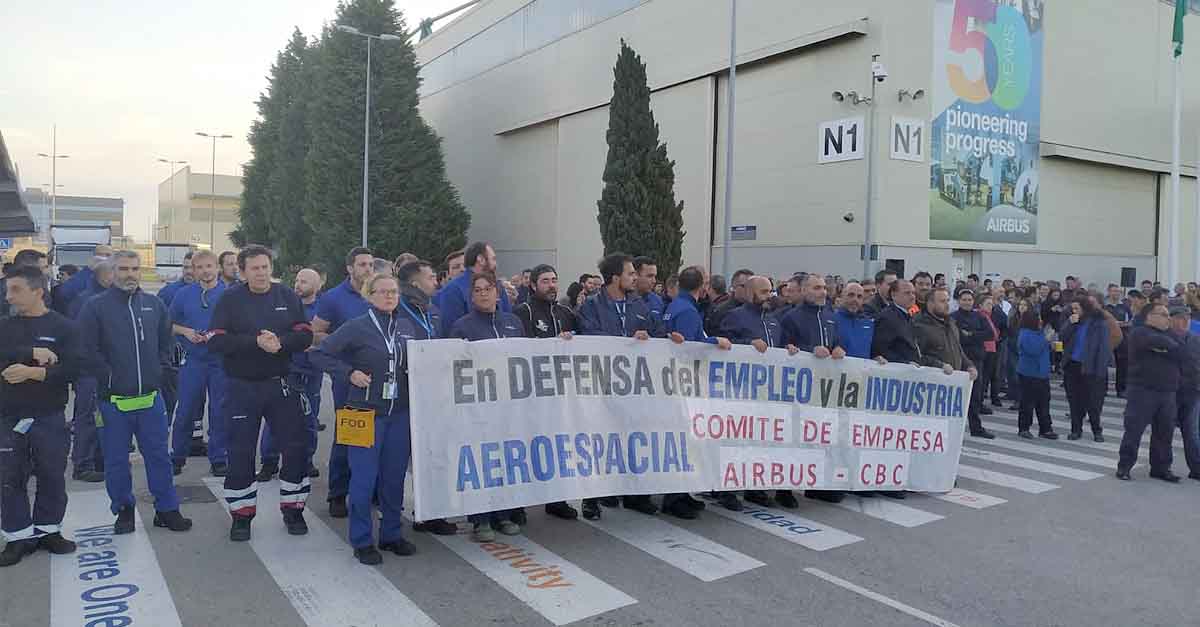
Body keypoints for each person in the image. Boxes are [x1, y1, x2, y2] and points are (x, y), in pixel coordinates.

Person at [77, 250, 192, 535]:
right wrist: (110, 377)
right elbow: (86, 350)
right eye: (124, 268)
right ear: (112, 272)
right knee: (116, 461)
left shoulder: (153, 304)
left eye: (135, 268)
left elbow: (166, 343)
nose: (130, 274)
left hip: (151, 399)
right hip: (113, 402)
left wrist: (160, 372)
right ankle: (124, 510)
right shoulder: (95, 307)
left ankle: (167, 509)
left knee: (159, 457)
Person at [208, 245, 314, 541]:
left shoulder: (287, 296)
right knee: (241, 451)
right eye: (254, 268)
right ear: (242, 271)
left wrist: (281, 342)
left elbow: (305, 333)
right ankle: (242, 516)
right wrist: (255, 342)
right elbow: (216, 340)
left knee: (294, 448)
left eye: (265, 266)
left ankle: (293, 510)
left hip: (281, 384)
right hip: (242, 386)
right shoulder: (229, 299)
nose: (262, 273)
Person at [311, 274, 419, 564]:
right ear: (369, 296)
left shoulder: (406, 327)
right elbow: (319, 354)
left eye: (393, 292)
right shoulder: (356, 327)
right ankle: (361, 540)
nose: (389, 296)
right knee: (363, 479)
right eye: (382, 292)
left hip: (398, 413)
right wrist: (348, 373)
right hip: (363, 413)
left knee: (394, 478)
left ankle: (391, 534)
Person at [0, 265, 81, 566]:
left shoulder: (63, 327)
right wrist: (29, 352)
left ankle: (49, 531)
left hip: (49, 415)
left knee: (51, 475)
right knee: (9, 478)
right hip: (8, 416)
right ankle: (18, 537)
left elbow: (75, 368)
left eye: (16, 290)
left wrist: (36, 373)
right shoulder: (4, 327)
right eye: (8, 290)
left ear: (38, 291)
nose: (9, 296)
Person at [576, 253, 663, 520]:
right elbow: (588, 336)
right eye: (630, 274)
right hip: (601, 383)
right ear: (615, 278)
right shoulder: (592, 305)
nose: (635, 278)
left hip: (634, 384)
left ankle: (636, 494)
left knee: (634, 437)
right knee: (600, 439)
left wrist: (651, 337)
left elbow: (656, 333)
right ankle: (592, 497)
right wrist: (625, 341)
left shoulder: (639, 304)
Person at [450, 272, 527, 541]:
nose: (483, 294)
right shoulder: (462, 326)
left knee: (506, 458)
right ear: (472, 296)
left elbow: (526, 358)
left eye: (488, 289)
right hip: (478, 408)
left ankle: (504, 515)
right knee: (482, 460)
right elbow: (455, 367)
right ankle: (480, 519)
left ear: (498, 293)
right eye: (478, 290)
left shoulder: (513, 322)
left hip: (509, 406)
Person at [513, 264, 581, 521]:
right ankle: (518, 503)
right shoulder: (523, 312)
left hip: (561, 393)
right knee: (527, 445)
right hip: (531, 393)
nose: (551, 285)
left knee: (557, 446)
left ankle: (556, 499)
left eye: (554, 280)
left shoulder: (566, 313)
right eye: (545, 281)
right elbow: (522, 349)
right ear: (532, 285)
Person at [662, 266, 731, 519]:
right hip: (685, 384)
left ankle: (682, 493)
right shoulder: (688, 310)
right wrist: (717, 342)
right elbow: (693, 346)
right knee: (684, 440)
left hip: (679, 383)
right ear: (701, 286)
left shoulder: (676, 306)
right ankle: (675, 498)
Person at [312, 247, 374, 518]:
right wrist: (342, 340)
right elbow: (315, 334)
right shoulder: (333, 298)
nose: (368, 269)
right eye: (362, 264)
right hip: (347, 378)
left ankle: (370, 490)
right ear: (349, 268)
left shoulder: (380, 293)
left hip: (380, 378)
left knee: (376, 438)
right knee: (348, 435)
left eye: (371, 264)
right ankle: (338, 493)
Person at [715, 275, 779, 512]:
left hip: (766, 394)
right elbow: (725, 348)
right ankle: (726, 490)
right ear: (750, 292)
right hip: (739, 392)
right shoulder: (736, 316)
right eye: (763, 292)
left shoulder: (773, 321)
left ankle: (755, 487)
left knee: (759, 442)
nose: (768, 297)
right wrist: (748, 343)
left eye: (770, 292)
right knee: (735, 442)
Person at [780, 273, 846, 504]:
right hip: (799, 390)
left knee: (823, 436)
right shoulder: (791, 317)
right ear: (805, 290)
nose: (823, 292)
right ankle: (785, 488)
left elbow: (835, 341)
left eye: (824, 288)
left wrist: (838, 348)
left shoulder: (830, 316)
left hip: (825, 389)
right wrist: (810, 350)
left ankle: (819, 484)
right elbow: (783, 349)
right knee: (795, 438)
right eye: (817, 288)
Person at [257, 268, 325, 482]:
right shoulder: (285, 306)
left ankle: (306, 459)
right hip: (286, 370)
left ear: (317, 286)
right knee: (275, 418)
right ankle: (269, 462)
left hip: (312, 371)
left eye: (304, 282)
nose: (298, 285)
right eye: (297, 280)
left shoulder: (323, 310)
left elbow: (328, 337)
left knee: (309, 418)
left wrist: (312, 343)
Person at [167, 250, 230, 475]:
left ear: (217, 268)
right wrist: (186, 332)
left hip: (220, 362)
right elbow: (168, 324)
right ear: (194, 270)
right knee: (185, 410)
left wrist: (219, 335)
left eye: (209, 266)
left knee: (219, 411)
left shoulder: (229, 294)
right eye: (200, 267)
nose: (205, 271)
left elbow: (240, 326)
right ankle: (177, 456)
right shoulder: (183, 295)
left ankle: (219, 457)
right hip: (193, 361)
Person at [1116, 304, 1183, 482]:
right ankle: (1124, 466)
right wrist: (1169, 348)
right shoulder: (1139, 332)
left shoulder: (1171, 333)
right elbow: (1161, 343)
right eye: (1163, 314)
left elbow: (1180, 351)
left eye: (1168, 315)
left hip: (1167, 391)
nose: (1168, 318)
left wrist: (1169, 348)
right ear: (1150, 316)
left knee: (1165, 432)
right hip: (1143, 390)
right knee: (1134, 430)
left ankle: (1161, 468)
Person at [913, 287, 986, 437]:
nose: (947, 305)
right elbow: (917, 356)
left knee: (948, 433)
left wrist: (969, 365)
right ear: (930, 303)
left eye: (947, 301)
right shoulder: (919, 325)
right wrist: (939, 365)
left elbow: (958, 350)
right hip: (931, 390)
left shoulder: (951, 323)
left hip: (952, 388)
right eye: (942, 301)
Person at [67, 260, 114, 482]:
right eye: (115, 273)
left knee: (101, 418)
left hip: (102, 370)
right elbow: (80, 339)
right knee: (88, 418)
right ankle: (83, 464)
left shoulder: (101, 298)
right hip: (90, 371)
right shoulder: (88, 301)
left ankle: (97, 460)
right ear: (104, 276)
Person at [1060, 295, 1112, 442]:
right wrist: (1069, 323)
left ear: (1086, 308)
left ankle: (1097, 430)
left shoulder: (1098, 323)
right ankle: (1076, 429)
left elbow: (1103, 347)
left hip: (1091, 366)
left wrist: (1101, 370)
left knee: (1093, 401)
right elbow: (1062, 337)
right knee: (1075, 400)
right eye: (1072, 309)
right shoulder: (1073, 321)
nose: (1074, 311)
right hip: (1073, 365)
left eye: (1077, 308)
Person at [434, 241, 512, 327]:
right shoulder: (453, 289)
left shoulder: (498, 286)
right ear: (480, 259)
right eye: (493, 259)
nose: (495, 264)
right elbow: (451, 331)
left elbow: (508, 322)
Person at [951, 289, 995, 431]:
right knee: (958, 397)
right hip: (959, 360)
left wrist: (970, 334)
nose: (967, 302)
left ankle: (976, 427)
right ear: (959, 301)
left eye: (969, 300)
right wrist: (974, 336)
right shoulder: (952, 317)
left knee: (976, 395)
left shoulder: (979, 316)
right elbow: (957, 337)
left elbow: (990, 334)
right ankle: (955, 428)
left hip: (977, 360)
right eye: (964, 299)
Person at [1015, 309, 1058, 439]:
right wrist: (1046, 339)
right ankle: (1024, 428)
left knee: (1044, 402)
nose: (1040, 320)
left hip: (1041, 373)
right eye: (1038, 318)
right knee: (1027, 402)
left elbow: (1043, 348)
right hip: (1029, 373)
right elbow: (1033, 350)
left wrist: (1051, 344)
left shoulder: (1038, 332)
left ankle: (1045, 428)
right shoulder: (1025, 334)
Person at [1168, 306, 1200, 480]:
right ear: (1171, 319)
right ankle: (1163, 467)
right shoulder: (1164, 338)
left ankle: (1196, 468)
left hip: (1193, 392)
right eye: (1181, 317)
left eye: (1187, 317)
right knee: (1165, 431)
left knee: (1192, 432)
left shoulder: (1195, 339)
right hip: (1170, 392)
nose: (1185, 321)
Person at [871, 280, 922, 365]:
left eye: (913, 293)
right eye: (907, 293)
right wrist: (905, 363)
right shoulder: (887, 317)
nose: (912, 297)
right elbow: (880, 350)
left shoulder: (908, 316)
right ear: (894, 295)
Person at [834, 282, 878, 361]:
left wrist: (876, 358)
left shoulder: (869, 323)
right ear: (842, 297)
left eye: (859, 297)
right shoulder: (831, 320)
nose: (855, 299)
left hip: (861, 372)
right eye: (851, 295)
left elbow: (872, 351)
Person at [704, 268, 753, 336]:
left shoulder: (760, 311)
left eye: (752, 286)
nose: (749, 289)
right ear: (734, 287)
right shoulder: (721, 311)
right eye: (744, 286)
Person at [977, 294, 1003, 408]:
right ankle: (980, 401)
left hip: (991, 347)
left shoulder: (989, 315)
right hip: (986, 348)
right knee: (984, 377)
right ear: (980, 305)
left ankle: (982, 399)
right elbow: (990, 333)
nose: (990, 307)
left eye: (991, 305)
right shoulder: (981, 316)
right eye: (988, 304)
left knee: (988, 376)